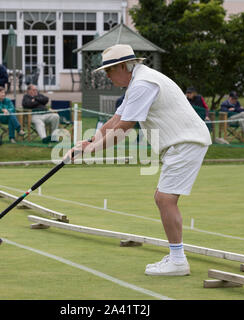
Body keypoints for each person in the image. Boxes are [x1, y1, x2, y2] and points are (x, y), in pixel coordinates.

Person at [66, 44, 212, 276]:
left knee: (165, 199)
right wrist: (87, 141)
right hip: (181, 142)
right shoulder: (137, 84)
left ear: (123, 66)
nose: (107, 76)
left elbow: (124, 128)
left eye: (109, 71)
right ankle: (176, 257)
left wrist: (90, 150)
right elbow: (116, 119)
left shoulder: (143, 84)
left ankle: (177, 261)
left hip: (187, 141)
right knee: (162, 197)